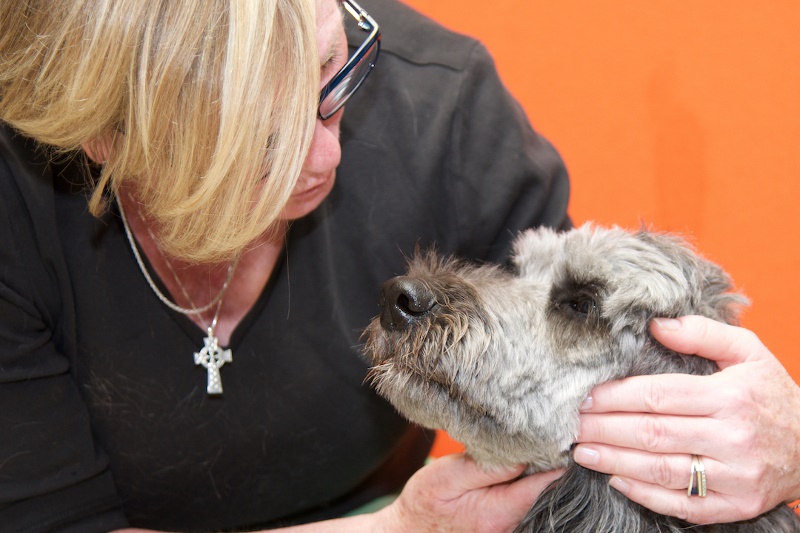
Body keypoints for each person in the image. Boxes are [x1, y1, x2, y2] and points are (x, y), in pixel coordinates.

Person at [0, 1, 797, 532]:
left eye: (330, 77)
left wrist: (788, 437)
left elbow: (577, 374)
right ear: (105, 141)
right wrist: (400, 528)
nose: (325, 154)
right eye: (259, 143)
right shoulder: (18, 199)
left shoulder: (446, 119)